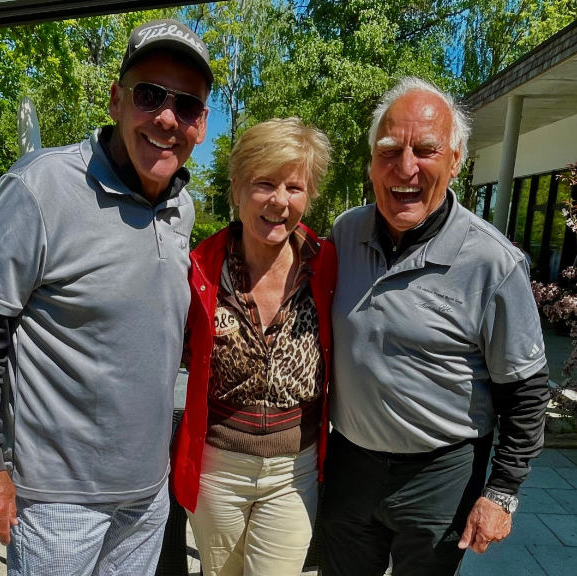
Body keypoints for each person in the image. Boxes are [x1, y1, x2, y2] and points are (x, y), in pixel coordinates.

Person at [0, 18, 212, 576]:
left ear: (201, 124)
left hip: (146, 493)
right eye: (150, 95)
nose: (167, 118)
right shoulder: (40, 186)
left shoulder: (182, 207)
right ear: (116, 100)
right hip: (55, 500)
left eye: (186, 105)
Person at [323, 77, 549, 576]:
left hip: (441, 476)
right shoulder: (345, 232)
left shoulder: (493, 262)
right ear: (371, 163)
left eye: (426, 150)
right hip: (350, 465)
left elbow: (527, 389)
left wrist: (502, 492)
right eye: (389, 151)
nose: (405, 167)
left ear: (456, 160)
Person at [171, 117, 336, 576]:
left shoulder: (327, 266)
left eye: (294, 187)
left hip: (293, 471)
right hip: (217, 467)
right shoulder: (199, 268)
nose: (279, 200)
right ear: (237, 189)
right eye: (264, 183)